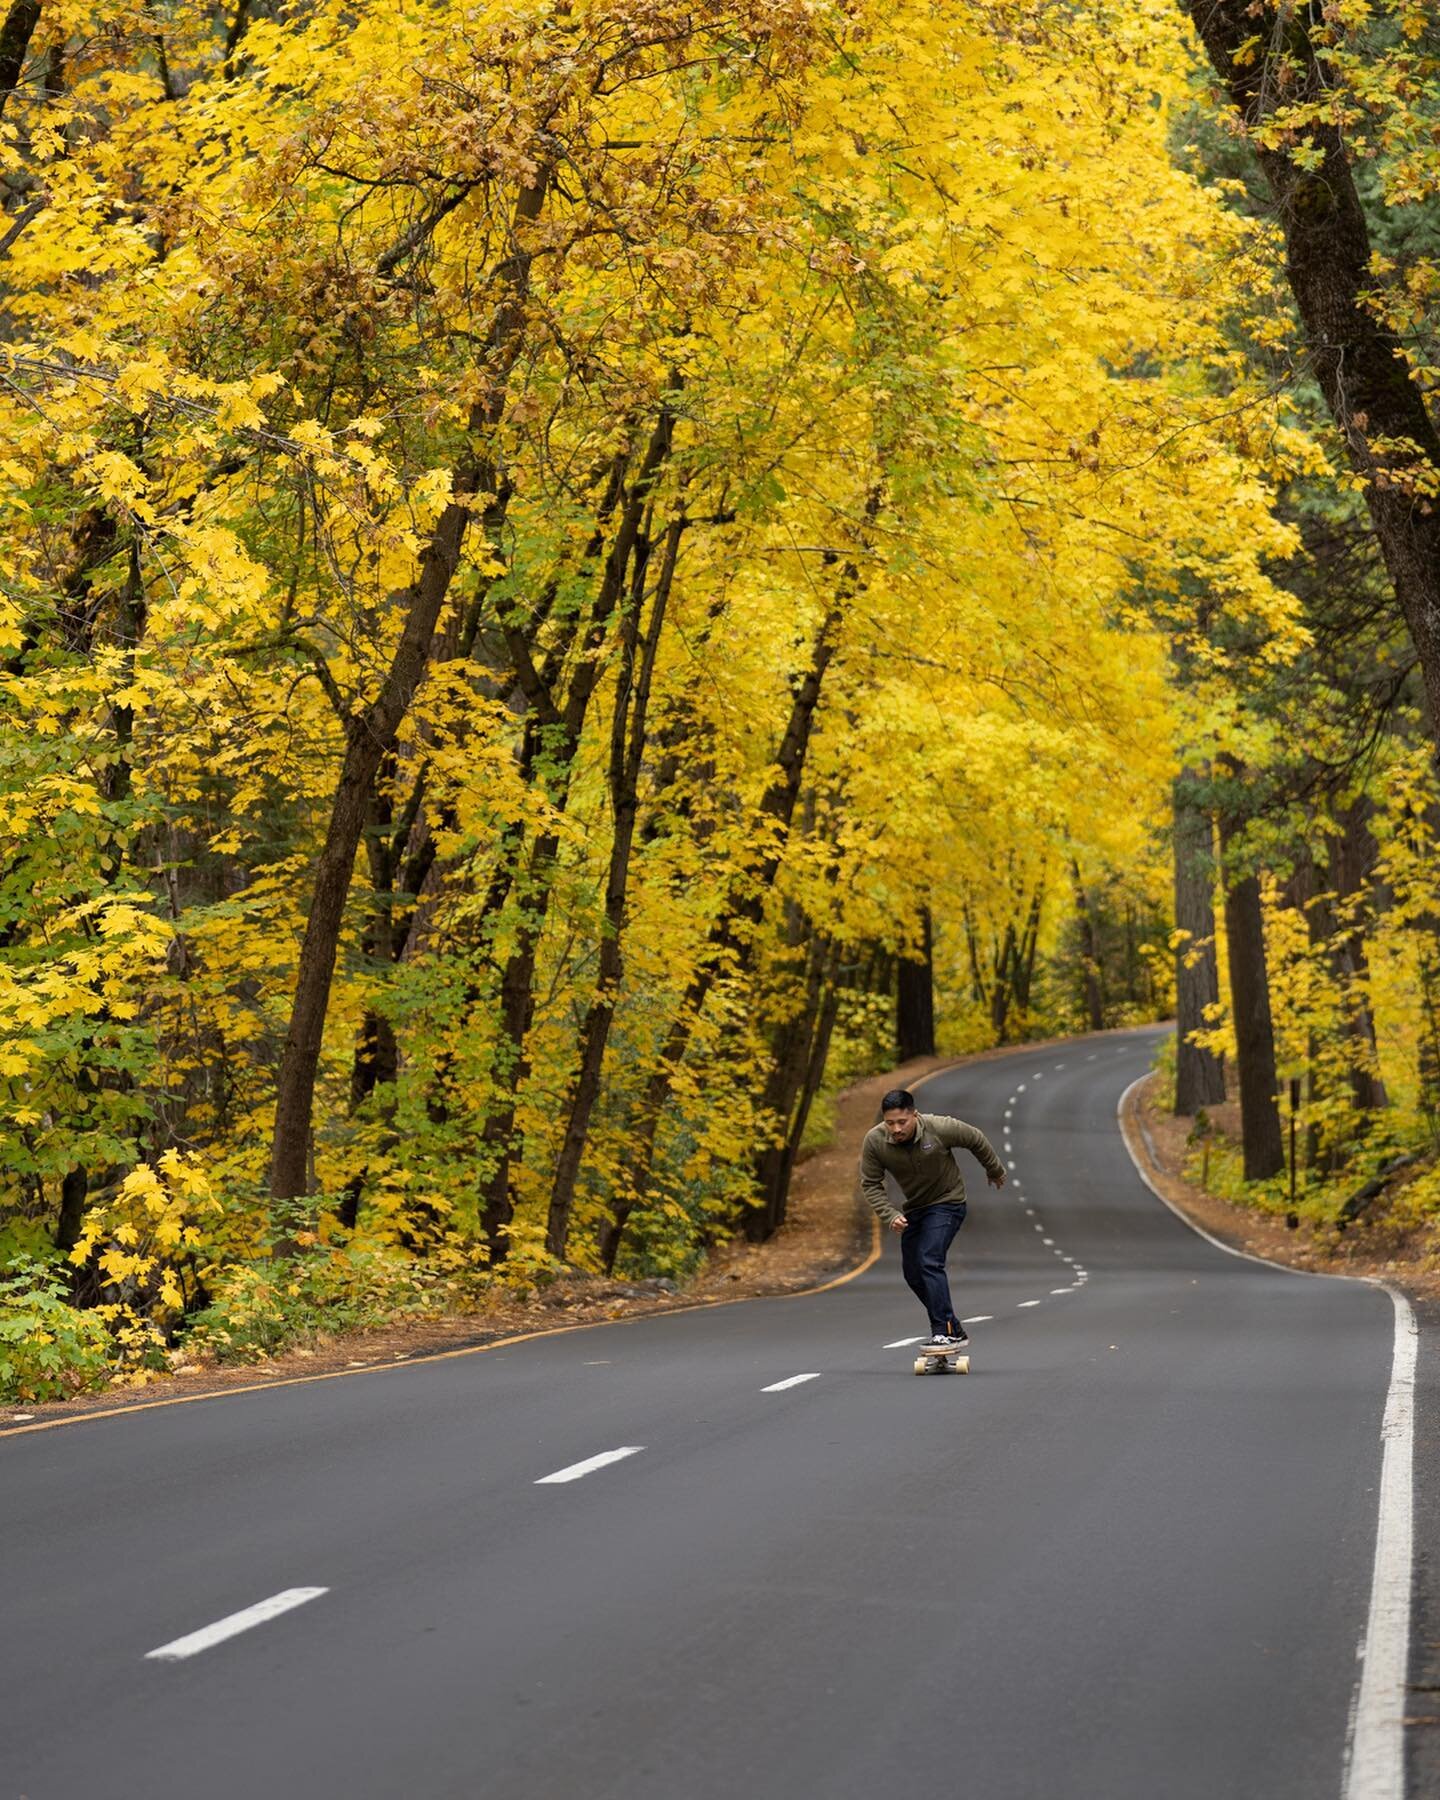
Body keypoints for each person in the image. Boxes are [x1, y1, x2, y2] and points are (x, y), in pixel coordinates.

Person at [859, 1087, 1005, 1347]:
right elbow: (870, 1183)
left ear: (914, 1115)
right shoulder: (875, 1141)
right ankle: (954, 1327)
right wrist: (889, 1214)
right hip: (916, 1208)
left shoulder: (939, 1127)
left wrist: (994, 1170)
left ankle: (943, 1329)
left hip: (948, 1202)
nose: (896, 1129)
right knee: (913, 1272)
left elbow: (975, 1138)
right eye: (889, 1123)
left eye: (902, 1122)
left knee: (929, 1260)